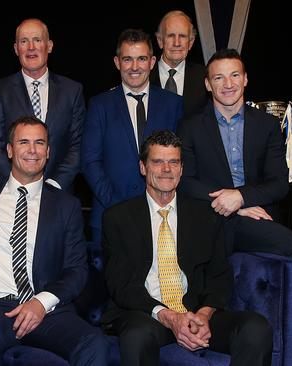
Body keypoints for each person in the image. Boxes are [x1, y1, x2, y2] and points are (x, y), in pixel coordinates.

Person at [177, 49, 292, 365]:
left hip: (255, 219)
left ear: (246, 79)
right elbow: (186, 182)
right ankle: (209, 338)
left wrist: (241, 198)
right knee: (201, 275)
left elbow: (280, 183)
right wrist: (230, 203)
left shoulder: (267, 125)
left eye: (235, 75)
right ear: (208, 84)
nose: (228, 84)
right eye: (219, 77)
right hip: (211, 220)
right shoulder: (190, 126)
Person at [102, 130, 273, 366]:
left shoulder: (205, 215)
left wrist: (203, 315)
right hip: (148, 314)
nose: (166, 169)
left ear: (181, 169)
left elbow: (219, 276)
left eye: (173, 162)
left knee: (256, 328)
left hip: (196, 313)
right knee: (136, 336)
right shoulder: (117, 217)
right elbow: (120, 284)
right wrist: (170, 317)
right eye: (158, 162)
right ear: (143, 167)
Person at [0, 116, 108, 366]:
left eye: (39, 143)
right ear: (10, 150)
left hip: (45, 308)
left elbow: (77, 270)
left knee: (94, 343)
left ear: (48, 151)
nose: (32, 150)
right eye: (24, 142)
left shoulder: (66, 206)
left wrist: (41, 302)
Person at [81, 28, 183, 242]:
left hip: (164, 217)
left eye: (142, 59)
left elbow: (181, 159)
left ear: (152, 62)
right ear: (117, 62)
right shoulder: (99, 105)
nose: (135, 67)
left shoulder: (173, 104)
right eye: (128, 59)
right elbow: (90, 162)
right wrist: (119, 206)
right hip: (110, 217)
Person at [0, 18, 85, 191]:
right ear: (16, 48)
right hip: (11, 192)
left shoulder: (72, 91)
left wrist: (54, 184)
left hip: (59, 194)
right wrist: (18, 183)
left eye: (37, 40)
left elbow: (78, 145)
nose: (31, 47)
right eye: (24, 41)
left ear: (49, 46)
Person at [150, 10, 208, 118]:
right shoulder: (144, 75)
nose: (177, 43)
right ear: (160, 40)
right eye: (171, 36)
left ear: (190, 42)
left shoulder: (205, 76)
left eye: (182, 36)